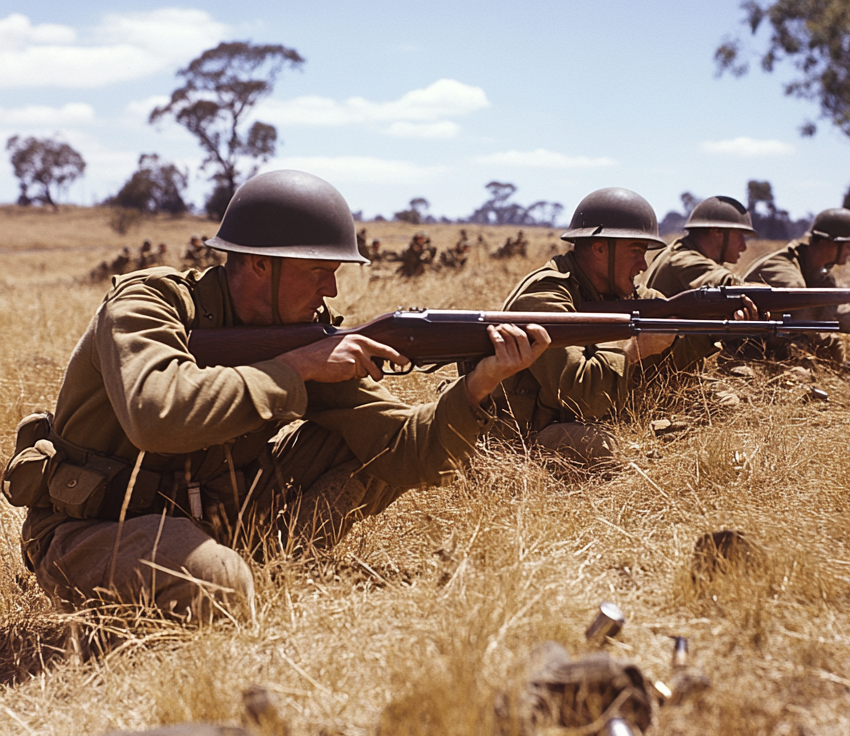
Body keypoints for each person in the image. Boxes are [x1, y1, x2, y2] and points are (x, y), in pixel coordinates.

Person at [3, 170, 549, 621]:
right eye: (319, 272)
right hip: (95, 530)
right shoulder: (148, 303)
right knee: (216, 583)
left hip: (221, 522)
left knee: (360, 452)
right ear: (260, 265)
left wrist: (478, 385)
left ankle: (268, 572)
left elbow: (409, 453)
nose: (331, 291)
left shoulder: (309, 338)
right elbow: (157, 413)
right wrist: (293, 371)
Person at [495, 187, 675, 466]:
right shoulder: (544, 296)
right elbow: (580, 397)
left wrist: (700, 314)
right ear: (601, 248)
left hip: (553, 423)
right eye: (636, 251)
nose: (643, 264)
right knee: (598, 448)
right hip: (510, 439)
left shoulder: (602, 289)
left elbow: (658, 305)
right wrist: (634, 352)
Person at [738, 207, 850, 362]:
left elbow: (836, 309)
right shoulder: (787, 274)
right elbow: (808, 312)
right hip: (747, 347)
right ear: (828, 243)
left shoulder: (816, 274)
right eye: (849, 245)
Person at [643, 196, 756, 296]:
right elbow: (730, 284)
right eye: (740, 235)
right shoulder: (681, 259)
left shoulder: (677, 252)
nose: (743, 247)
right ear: (717, 231)